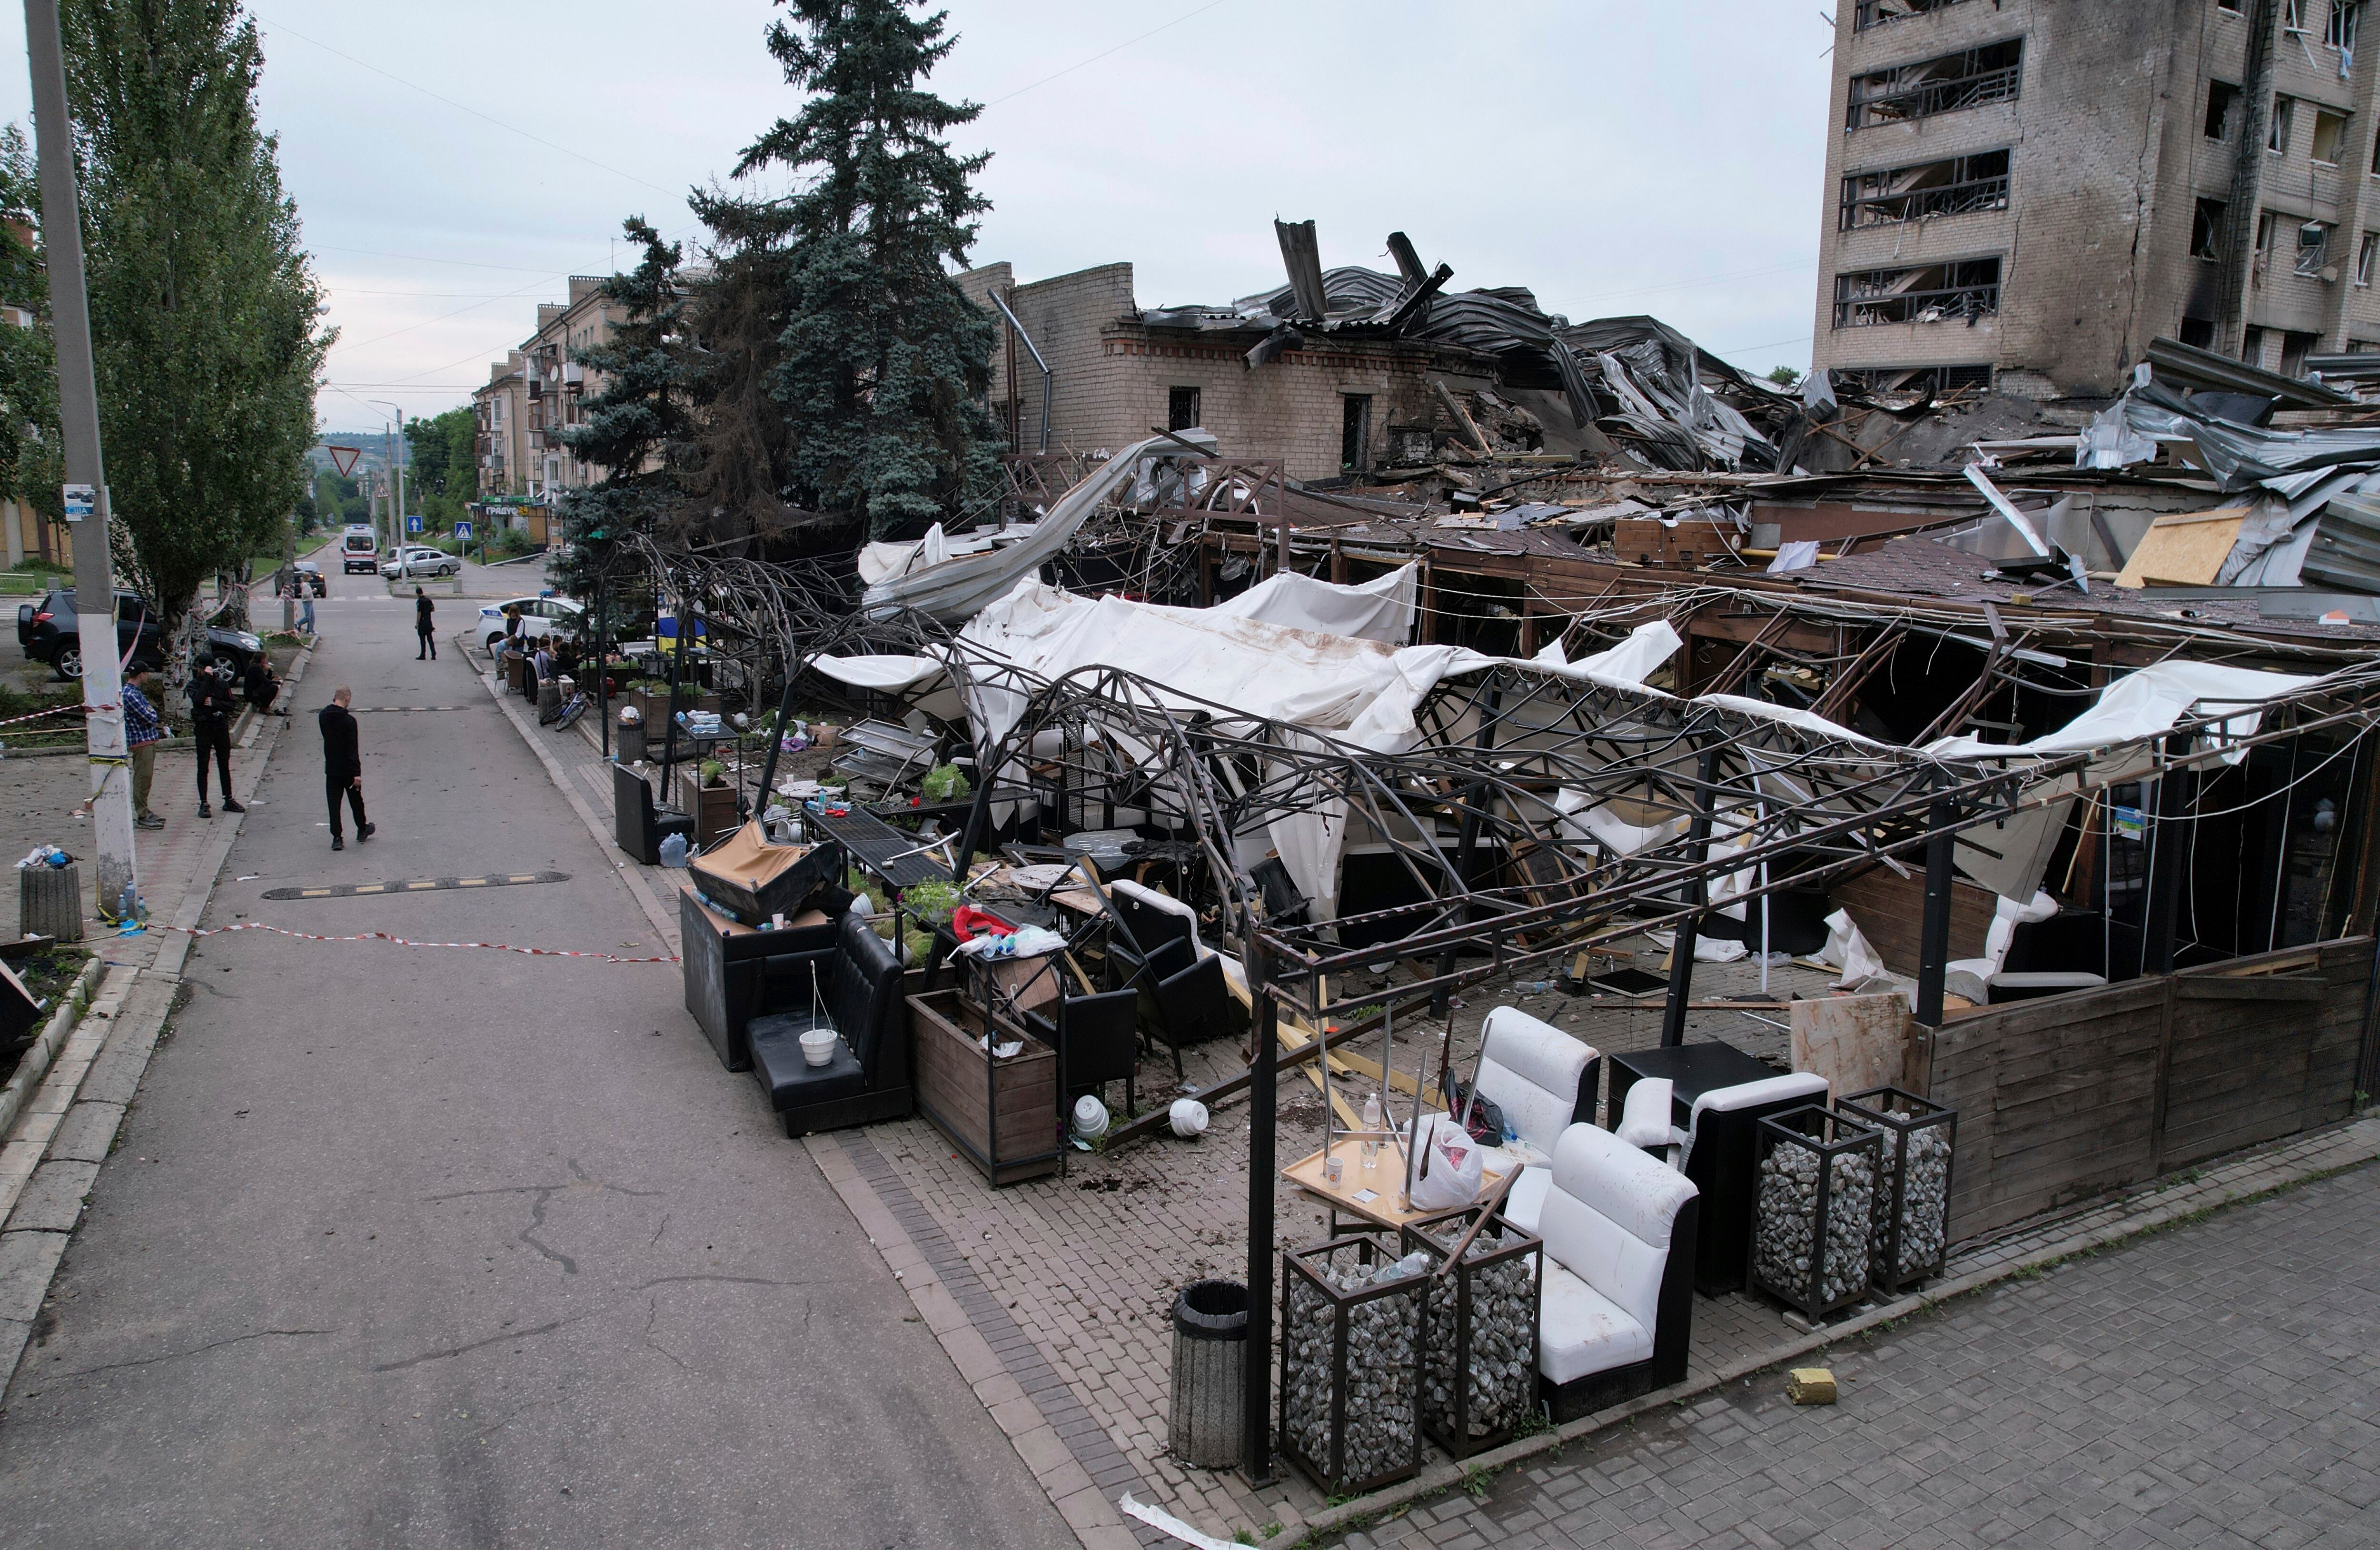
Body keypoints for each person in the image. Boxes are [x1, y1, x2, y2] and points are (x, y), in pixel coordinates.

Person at [318, 686, 374, 851]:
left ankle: (337, 837)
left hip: (332, 768)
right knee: (356, 801)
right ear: (348, 698)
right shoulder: (350, 722)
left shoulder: (323, 717)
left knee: (334, 803)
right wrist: (357, 773)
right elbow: (352, 749)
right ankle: (362, 829)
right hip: (348, 770)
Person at [187, 661, 242, 818]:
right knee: (203, 765)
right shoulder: (194, 685)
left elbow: (231, 705)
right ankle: (204, 802)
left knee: (224, 763)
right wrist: (207, 681)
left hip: (220, 728)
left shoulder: (222, 684)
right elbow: (197, 700)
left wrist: (215, 703)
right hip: (204, 728)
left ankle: (229, 798)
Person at [121, 664, 166, 831]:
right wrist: (152, 713)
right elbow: (150, 716)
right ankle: (142, 814)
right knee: (142, 778)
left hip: (147, 739)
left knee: (147, 779)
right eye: (147, 674)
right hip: (140, 740)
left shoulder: (136, 692)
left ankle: (145, 810)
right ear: (142, 674)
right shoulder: (130, 695)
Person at [242, 653, 288, 719]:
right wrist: (278, 682)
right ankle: (264, 708)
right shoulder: (256, 668)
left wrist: (270, 671)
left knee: (272, 685)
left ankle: (264, 705)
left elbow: (265, 679)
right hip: (252, 694)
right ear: (262, 659)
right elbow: (266, 682)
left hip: (254, 691)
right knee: (274, 687)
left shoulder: (256, 667)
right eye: (266, 659)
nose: (267, 661)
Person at [414, 585, 436, 660]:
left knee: (423, 639)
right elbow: (433, 609)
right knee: (430, 638)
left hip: (422, 622)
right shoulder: (429, 600)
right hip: (429, 621)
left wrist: (417, 623)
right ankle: (433, 654)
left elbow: (419, 613)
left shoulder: (419, 602)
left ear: (417, 594)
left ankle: (423, 654)